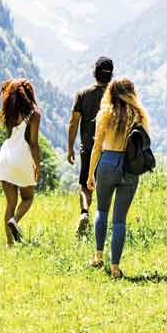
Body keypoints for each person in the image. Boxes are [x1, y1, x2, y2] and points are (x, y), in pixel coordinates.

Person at [86, 78, 150, 278]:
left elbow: (97, 147)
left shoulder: (104, 114)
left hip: (107, 162)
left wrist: (90, 174)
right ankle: (115, 268)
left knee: (102, 210)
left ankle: (98, 256)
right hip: (130, 166)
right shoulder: (139, 115)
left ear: (111, 93)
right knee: (120, 220)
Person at [0, 78, 42, 246]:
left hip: (6, 157)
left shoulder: (9, 112)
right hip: (22, 157)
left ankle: (9, 244)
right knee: (27, 198)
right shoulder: (34, 114)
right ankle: (15, 220)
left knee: (10, 203)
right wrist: (37, 165)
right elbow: (33, 144)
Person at [68, 56, 113, 234]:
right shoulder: (116, 95)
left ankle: (84, 213)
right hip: (112, 149)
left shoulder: (83, 94)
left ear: (95, 73)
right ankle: (102, 222)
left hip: (88, 148)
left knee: (86, 186)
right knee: (107, 187)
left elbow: (73, 123)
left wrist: (69, 147)